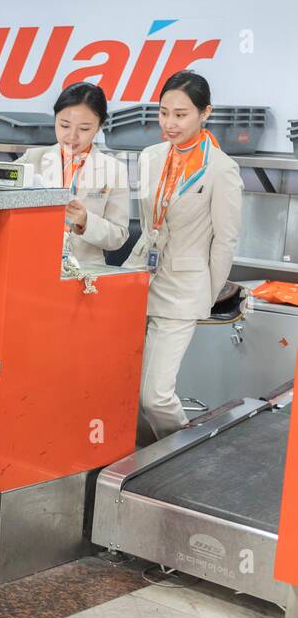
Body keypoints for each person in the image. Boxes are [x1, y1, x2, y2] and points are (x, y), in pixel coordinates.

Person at [125, 71, 243, 441]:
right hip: (138, 279)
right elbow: (147, 224)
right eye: (163, 113)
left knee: (155, 396)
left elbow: (225, 241)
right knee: (124, 387)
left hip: (183, 290)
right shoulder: (149, 157)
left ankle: (177, 454)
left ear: (204, 113)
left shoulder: (222, 168)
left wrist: (203, 298)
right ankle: (134, 455)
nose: (170, 123)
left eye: (181, 114)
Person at [0, 82, 129, 268]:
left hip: (85, 271)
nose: (71, 136)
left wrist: (85, 221)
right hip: (32, 265)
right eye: (64, 125)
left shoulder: (114, 170)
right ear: (55, 118)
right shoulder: (33, 158)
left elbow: (118, 236)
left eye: (84, 129)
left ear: (99, 127)